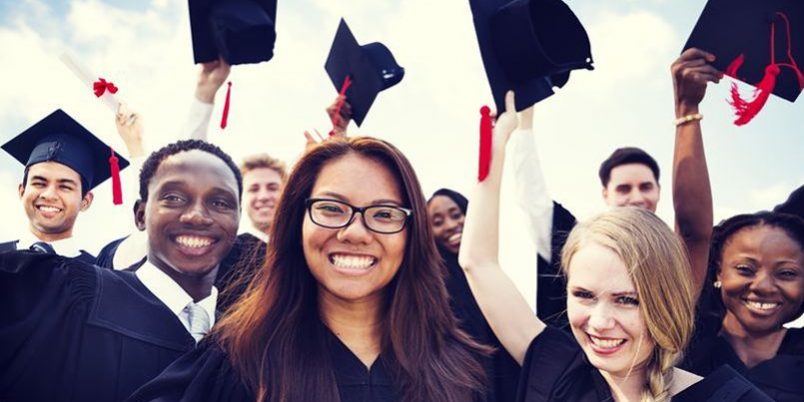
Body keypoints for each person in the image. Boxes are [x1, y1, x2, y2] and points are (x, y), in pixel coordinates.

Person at [459, 91, 773, 401]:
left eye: (626, 300)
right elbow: (478, 261)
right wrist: (499, 142)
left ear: (668, 300)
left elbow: (694, 230)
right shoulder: (559, 371)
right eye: (583, 295)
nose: (599, 322)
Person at [128, 137, 491, 402]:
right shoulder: (238, 360)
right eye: (332, 208)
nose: (355, 232)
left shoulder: (464, 371)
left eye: (384, 214)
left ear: (412, 235)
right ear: (296, 222)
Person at [0, 139, 241, 402]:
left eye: (220, 202)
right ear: (140, 216)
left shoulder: (249, 342)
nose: (197, 216)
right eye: (173, 198)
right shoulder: (70, 295)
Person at [529, 48, 714, 328]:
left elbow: (693, 230)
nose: (637, 198)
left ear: (660, 191)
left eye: (645, 187)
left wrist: (687, 110)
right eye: (624, 188)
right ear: (606, 194)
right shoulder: (579, 249)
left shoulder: (672, 260)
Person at [682, 211, 804, 401]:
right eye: (745, 269)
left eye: (786, 273)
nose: (763, 286)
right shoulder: (685, 351)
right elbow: (691, 230)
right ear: (719, 272)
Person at [0, 109, 131, 262]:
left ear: (85, 201)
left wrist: (136, 145)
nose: (49, 195)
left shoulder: (99, 275)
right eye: (39, 183)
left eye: (65, 187)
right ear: (22, 191)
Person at [427, 188, 520, 402]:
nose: (450, 225)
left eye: (456, 214)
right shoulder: (434, 286)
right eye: (438, 222)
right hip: (468, 385)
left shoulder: (498, 264)